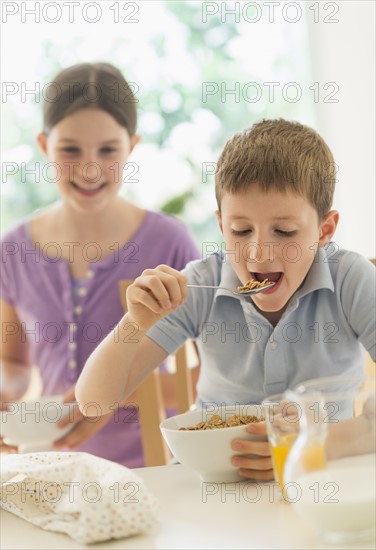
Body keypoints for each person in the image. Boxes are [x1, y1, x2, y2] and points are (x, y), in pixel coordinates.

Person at [76, 119, 375, 480]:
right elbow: (93, 401)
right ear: (221, 227)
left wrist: (312, 443)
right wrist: (134, 323)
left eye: (284, 231)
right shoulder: (200, 284)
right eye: (241, 230)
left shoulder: (351, 280)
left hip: (319, 477)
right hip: (212, 487)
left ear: (324, 230)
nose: (259, 252)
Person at [0, 62, 200, 467]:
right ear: (44, 145)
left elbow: (212, 377)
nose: (90, 168)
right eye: (70, 149)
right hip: (57, 472)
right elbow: (14, 363)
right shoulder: (12, 251)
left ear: (132, 146)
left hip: (160, 470)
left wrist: (109, 396)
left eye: (108, 150)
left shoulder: (170, 242)